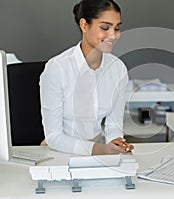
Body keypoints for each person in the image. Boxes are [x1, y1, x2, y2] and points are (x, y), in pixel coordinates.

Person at [40, 0, 134, 156]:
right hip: (60, 152)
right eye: (105, 28)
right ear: (84, 25)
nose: (113, 35)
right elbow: (54, 137)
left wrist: (117, 146)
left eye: (117, 28)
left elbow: (113, 126)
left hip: (99, 151)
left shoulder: (118, 69)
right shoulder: (57, 68)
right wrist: (101, 150)